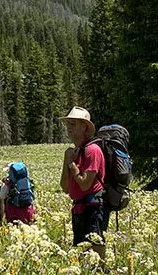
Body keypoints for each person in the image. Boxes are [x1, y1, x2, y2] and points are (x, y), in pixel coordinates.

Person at [60, 106, 106, 260]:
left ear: (84, 127)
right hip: (78, 208)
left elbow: (85, 184)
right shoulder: (75, 151)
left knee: (94, 247)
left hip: (93, 208)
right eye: (68, 124)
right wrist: (67, 161)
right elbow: (65, 187)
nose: (68, 129)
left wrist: (72, 165)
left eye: (73, 124)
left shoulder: (93, 150)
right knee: (81, 251)